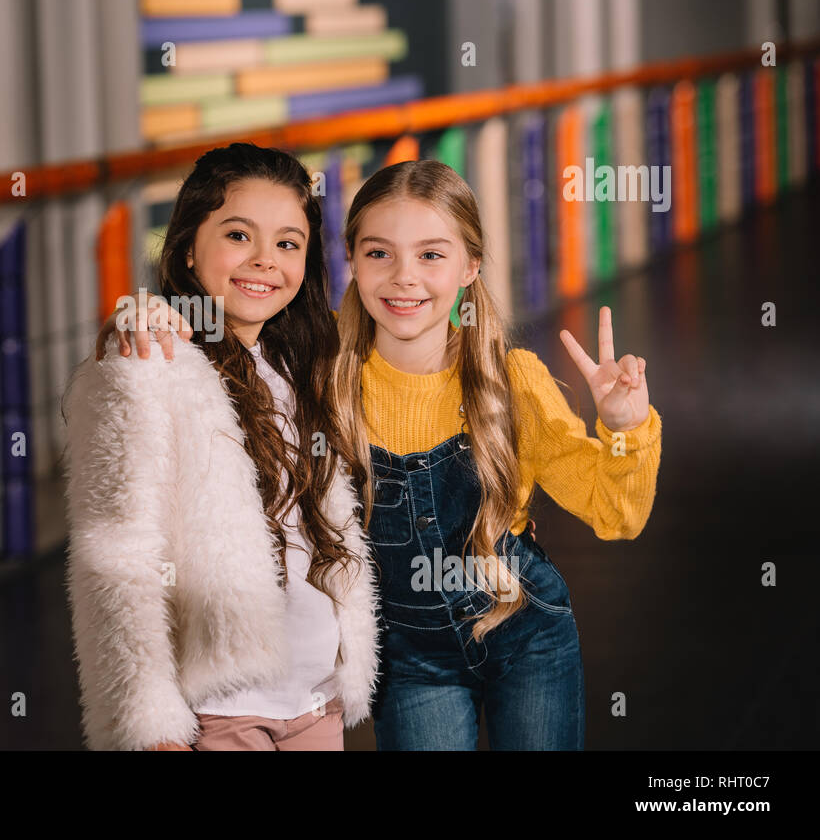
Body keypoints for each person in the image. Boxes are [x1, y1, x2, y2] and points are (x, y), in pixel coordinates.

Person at [99, 158, 662, 749]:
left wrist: (626, 428)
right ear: (351, 259)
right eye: (379, 253)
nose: (403, 277)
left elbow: (616, 513)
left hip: (527, 634)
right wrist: (139, 314)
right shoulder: (320, 365)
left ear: (471, 265)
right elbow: (222, 331)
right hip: (411, 661)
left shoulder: (512, 380)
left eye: (431, 254)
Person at [62, 143, 379, 751]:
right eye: (239, 235)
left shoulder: (306, 363)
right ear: (187, 247)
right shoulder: (146, 364)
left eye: (288, 243)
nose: (265, 261)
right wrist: (148, 726)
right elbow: (117, 562)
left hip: (316, 701)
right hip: (219, 712)